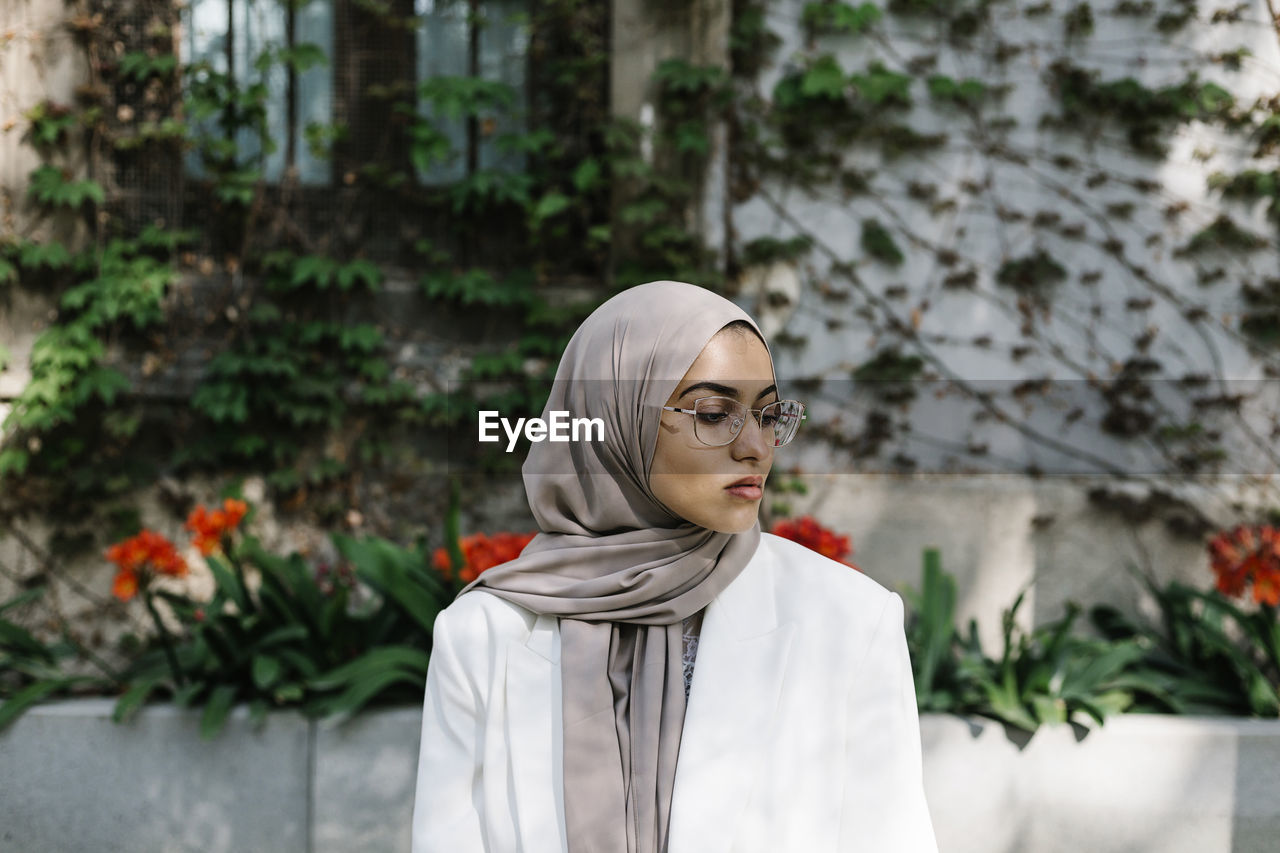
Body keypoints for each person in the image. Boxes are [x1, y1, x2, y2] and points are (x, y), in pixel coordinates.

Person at [411, 281, 938, 853]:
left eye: (768, 414)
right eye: (715, 414)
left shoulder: (849, 621)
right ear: (616, 420)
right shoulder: (482, 637)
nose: (756, 447)